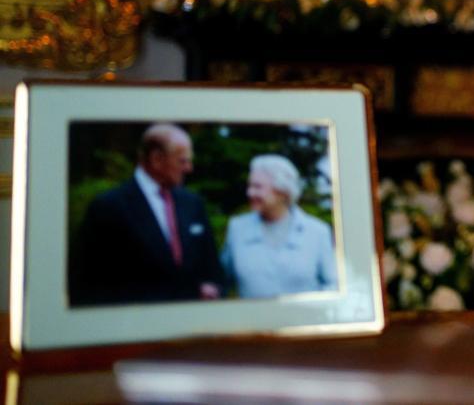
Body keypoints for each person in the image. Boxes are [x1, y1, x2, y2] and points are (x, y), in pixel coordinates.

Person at [70, 123, 223, 305]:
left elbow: (212, 267)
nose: (189, 168)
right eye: (182, 161)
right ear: (156, 159)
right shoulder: (109, 207)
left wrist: (212, 287)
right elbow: (86, 281)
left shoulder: (192, 203)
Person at [222, 154, 338, 298]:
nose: (250, 192)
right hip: (251, 320)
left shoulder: (317, 231)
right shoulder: (237, 228)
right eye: (250, 186)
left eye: (257, 187)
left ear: (282, 192)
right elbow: (221, 282)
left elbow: (332, 285)